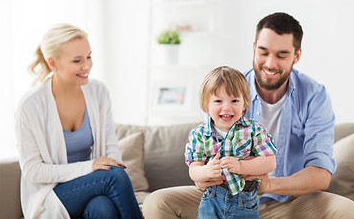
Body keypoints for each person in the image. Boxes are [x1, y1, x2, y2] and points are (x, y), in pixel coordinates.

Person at [142, 12, 354, 218]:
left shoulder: (314, 96)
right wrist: (204, 176)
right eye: (263, 52)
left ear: (296, 56)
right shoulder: (228, 90)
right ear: (254, 48)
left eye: (281, 55)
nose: (270, 63)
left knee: (346, 210)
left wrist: (267, 184)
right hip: (223, 196)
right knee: (157, 203)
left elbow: (320, 174)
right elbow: (202, 158)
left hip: (288, 201)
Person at [15, 23, 142, 219]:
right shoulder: (30, 105)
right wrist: (90, 167)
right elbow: (32, 171)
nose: (87, 65)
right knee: (113, 175)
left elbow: (111, 148)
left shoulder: (98, 92)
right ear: (53, 63)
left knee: (103, 207)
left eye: (89, 56)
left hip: (92, 186)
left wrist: (100, 168)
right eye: (77, 60)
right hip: (51, 195)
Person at [185, 66, 277, 218]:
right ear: (206, 104)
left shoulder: (254, 130)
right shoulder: (199, 134)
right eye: (218, 101)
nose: (226, 107)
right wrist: (205, 171)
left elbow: (270, 162)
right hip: (211, 199)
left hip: (244, 201)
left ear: (244, 103)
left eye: (234, 100)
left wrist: (241, 166)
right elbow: (194, 169)